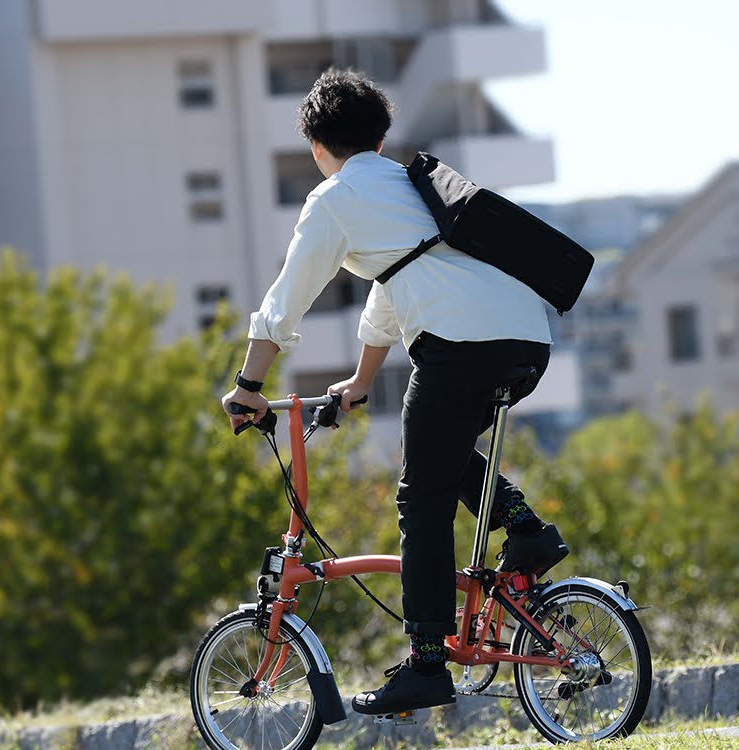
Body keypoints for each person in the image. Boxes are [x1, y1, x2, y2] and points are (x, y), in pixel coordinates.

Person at [220, 69, 568, 715]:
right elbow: (393, 289)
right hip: (527, 340)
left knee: (422, 498)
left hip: (461, 347)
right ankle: (526, 531)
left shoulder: (336, 197)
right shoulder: (410, 186)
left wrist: (248, 386)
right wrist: (359, 377)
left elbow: (284, 303)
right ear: (378, 137)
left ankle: (427, 663)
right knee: (438, 449)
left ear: (317, 144)